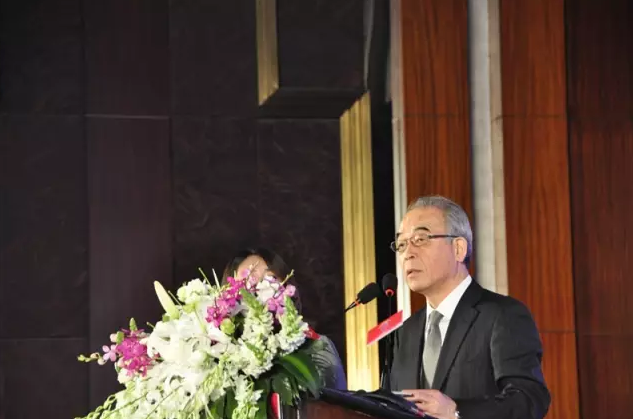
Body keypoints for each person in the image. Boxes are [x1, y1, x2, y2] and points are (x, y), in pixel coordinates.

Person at [388, 196, 550, 419]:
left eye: (421, 239)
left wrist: (456, 412)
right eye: (402, 244)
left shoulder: (502, 315)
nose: (408, 253)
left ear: (458, 248)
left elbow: (529, 400)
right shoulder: (404, 333)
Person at [222, 247, 348, 391]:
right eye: (250, 281)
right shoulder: (219, 352)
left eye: (271, 278)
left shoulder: (317, 347)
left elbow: (335, 401)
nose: (262, 287)